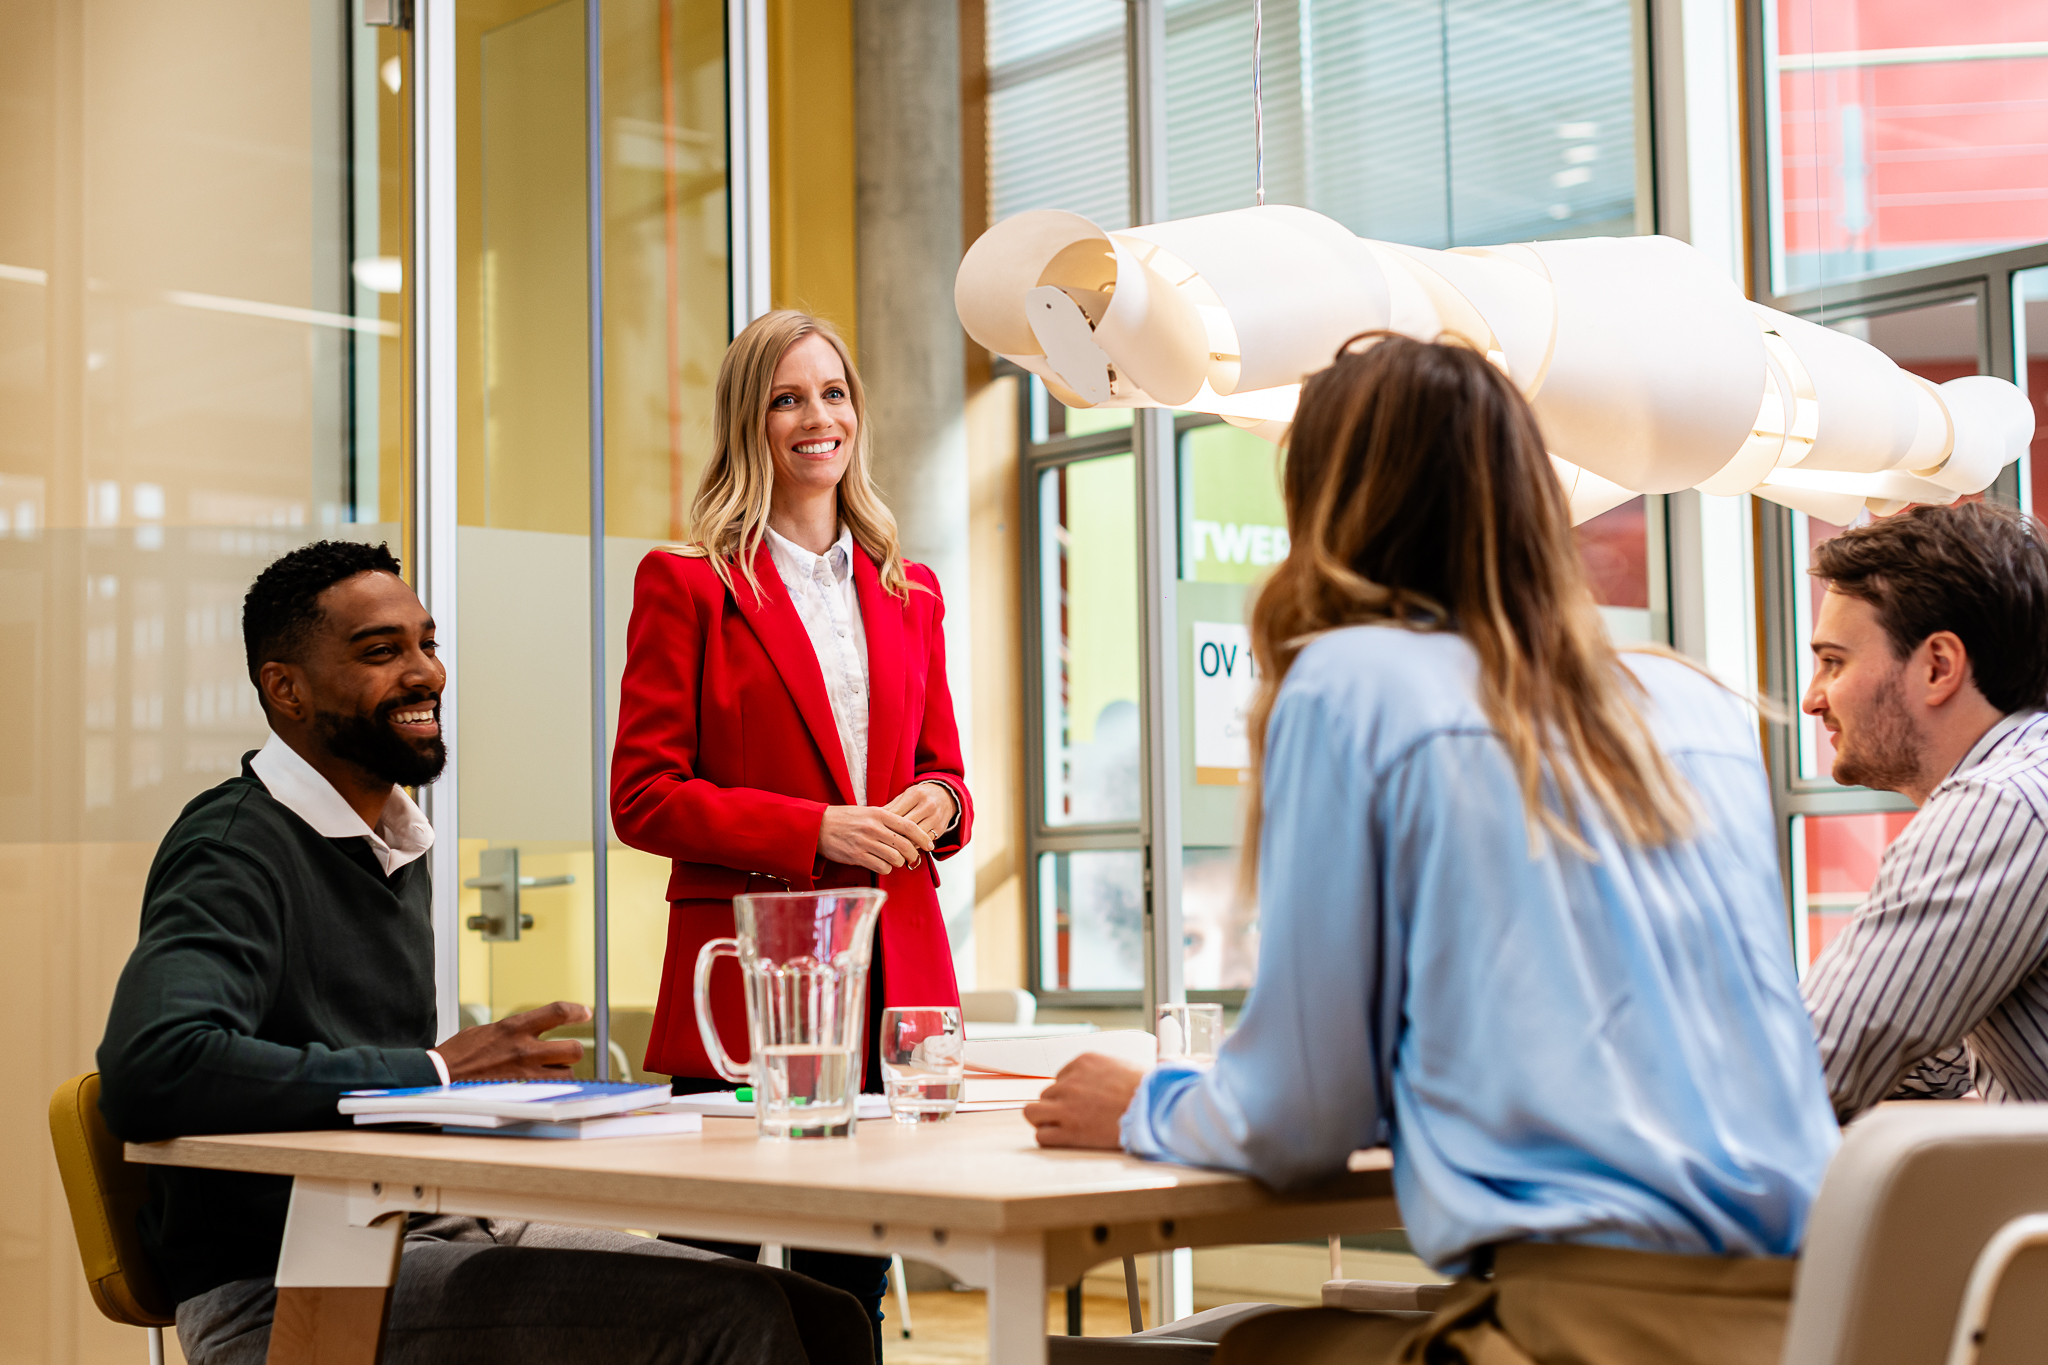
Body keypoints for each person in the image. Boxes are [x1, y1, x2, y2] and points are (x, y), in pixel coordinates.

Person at [1023, 334, 1840, 1365]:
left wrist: (1146, 1102)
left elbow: (1299, 1118)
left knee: (1183, 1351)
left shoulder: (1352, 683)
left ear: (1326, 504)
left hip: (1593, 1324)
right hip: (1816, 1313)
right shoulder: (1692, 704)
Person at [98, 540, 871, 1365]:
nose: (425, 671)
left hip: (421, 1225)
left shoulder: (390, 840)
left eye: (426, 644)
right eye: (380, 651)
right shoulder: (233, 846)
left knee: (819, 1312)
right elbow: (155, 1065)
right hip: (290, 1282)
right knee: (731, 1316)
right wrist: (433, 1071)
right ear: (283, 687)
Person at [611, 310, 973, 1346]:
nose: (817, 418)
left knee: (845, 1292)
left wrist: (938, 805)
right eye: (786, 398)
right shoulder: (686, 582)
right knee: (704, 1288)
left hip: (890, 986)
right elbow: (642, 795)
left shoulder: (911, 593)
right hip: (745, 983)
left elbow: (945, 773)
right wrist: (816, 831)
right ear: (748, 422)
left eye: (833, 394)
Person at [1799, 501, 2048, 1120]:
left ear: (1938, 666)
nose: (1812, 699)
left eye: (1834, 661)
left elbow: (1810, 1069)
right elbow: (1934, 1056)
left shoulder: (2001, 806)